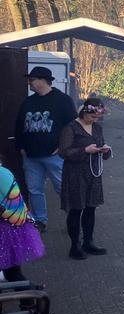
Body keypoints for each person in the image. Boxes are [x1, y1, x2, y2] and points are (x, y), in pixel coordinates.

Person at [15, 66, 78, 232]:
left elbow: (73, 126)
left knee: (63, 189)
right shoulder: (28, 102)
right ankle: (40, 221)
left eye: (32, 80)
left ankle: (74, 219)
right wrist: (20, 147)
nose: (29, 83)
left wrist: (63, 146)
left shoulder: (63, 100)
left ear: (43, 80)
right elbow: (19, 125)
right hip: (31, 156)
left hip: (55, 156)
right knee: (34, 189)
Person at [58, 98, 112, 260]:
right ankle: (74, 246)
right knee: (76, 209)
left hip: (93, 174)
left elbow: (101, 145)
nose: (95, 120)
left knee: (91, 208)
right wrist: (85, 150)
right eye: (92, 117)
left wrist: (105, 150)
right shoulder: (70, 128)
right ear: (84, 112)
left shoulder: (97, 127)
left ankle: (88, 242)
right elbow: (63, 152)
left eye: (98, 117)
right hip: (75, 175)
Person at [0, 155, 45, 281]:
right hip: (9, 226)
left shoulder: (2, 174)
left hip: (7, 230)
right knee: (11, 273)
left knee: (12, 273)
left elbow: (14, 206)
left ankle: (30, 291)